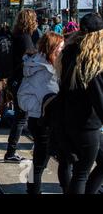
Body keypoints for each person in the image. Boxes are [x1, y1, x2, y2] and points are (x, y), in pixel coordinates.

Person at [56, 13, 103, 194]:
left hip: (67, 120)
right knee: (82, 172)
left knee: (80, 171)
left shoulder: (70, 52)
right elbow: (99, 98)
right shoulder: (91, 63)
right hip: (86, 124)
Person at [17, 32, 64, 194]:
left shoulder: (55, 65)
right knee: (39, 163)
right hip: (42, 121)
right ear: (51, 48)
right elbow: (22, 97)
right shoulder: (39, 68)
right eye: (60, 48)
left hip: (55, 120)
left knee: (62, 161)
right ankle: (32, 190)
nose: (62, 51)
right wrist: (41, 107)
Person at [4, 9, 38, 163]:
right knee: (22, 117)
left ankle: (11, 151)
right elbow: (31, 60)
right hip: (22, 82)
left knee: (22, 116)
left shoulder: (16, 35)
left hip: (15, 80)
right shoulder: (26, 39)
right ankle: (11, 152)